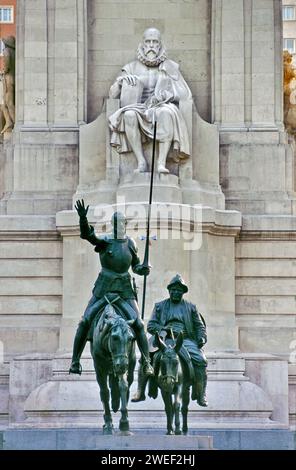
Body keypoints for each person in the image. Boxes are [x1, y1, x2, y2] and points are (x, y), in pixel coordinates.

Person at [69, 200, 154, 377]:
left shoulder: (131, 243)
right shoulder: (105, 241)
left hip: (125, 290)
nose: (118, 226)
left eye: (121, 223)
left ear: (125, 224)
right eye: (115, 223)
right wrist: (83, 219)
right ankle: (75, 361)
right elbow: (88, 236)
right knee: (85, 321)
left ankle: (146, 362)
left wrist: (142, 269)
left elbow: (135, 266)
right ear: (112, 224)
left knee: (138, 324)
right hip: (104, 288)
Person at [108, 27, 191, 174]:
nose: (151, 45)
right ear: (142, 44)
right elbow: (112, 95)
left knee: (166, 112)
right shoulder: (130, 67)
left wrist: (167, 94)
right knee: (128, 115)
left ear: (160, 45)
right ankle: (141, 162)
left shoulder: (170, 67)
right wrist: (121, 82)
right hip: (138, 107)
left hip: (160, 106)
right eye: (148, 41)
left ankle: (161, 163)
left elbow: (185, 95)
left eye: (155, 42)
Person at [132, 274, 208, 406]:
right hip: (163, 339)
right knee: (145, 358)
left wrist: (201, 337)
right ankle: (140, 391)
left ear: (183, 292)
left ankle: (201, 393)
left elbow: (199, 326)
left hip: (185, 340)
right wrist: (164, 328)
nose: (176, 292)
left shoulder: (191, 307)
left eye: (179, 290)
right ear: (169, 291)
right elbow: (151, 326)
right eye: (173, 290)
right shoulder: (160, 306)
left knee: (201, 361)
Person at [0, 36, 15, 134]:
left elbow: (7, 65)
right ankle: (9, 122)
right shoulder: (14, 52)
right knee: (4, 103)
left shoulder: (6, 51)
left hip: (8, 78)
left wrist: (3, 71)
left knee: (8, 103)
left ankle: (15, 123)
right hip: (12, 78)